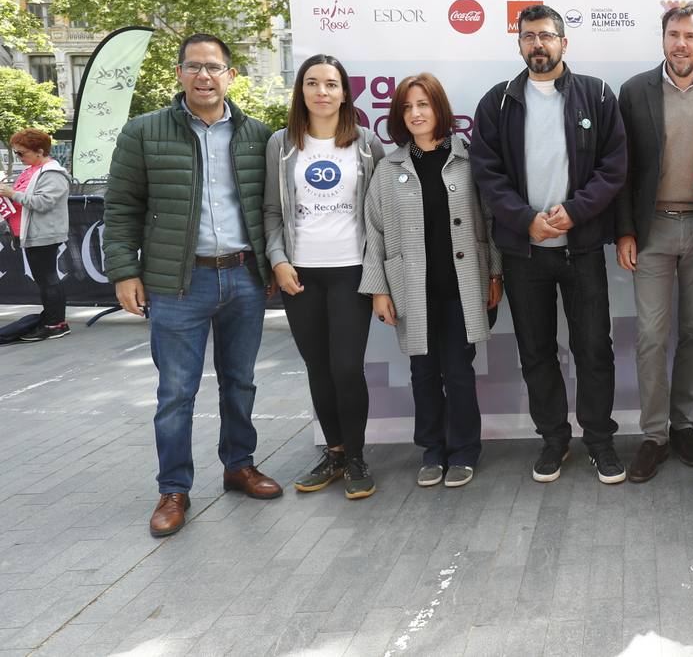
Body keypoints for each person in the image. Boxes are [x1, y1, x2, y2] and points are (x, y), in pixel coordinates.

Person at [104, 32, 280, 538]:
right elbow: (120, 209)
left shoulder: (257, 134)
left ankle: (239, 465)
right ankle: (174, 489)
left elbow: (269, 209)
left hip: (244, 278)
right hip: (177, 284)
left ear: (231, 75)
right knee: (176, 392)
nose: (205, 75)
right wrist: (124, 272)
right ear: (179, 73)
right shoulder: (143, 132)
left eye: (214, 67)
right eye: (194, 66)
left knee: (240, 382)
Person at [470, 4, 628, 485]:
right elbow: (487, 173)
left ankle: (599, 440)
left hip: (580, 248)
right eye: (529, 37)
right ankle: (554, 440)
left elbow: (614, 166)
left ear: (564, 41)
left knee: (593, 349)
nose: (538, 44)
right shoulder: (497, 103)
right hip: (525, 252)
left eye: (547, 36)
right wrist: (525, 220)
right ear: (518, 44)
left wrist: (576, 211)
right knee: (535, 350)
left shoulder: (597, 95)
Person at [362, 73, 501, 489]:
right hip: (412, 290)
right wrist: (379, 290)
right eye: (407, 107)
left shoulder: (470, 159)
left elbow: (491, 222)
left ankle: (463, 450)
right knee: (422, 371)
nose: (416, 113)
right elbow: (374, 231)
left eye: (423, 104)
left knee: (458, 370)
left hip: (463, 286)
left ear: (439, 108)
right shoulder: (389, 168)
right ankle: (432, 450)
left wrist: (496, 272)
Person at [614, 3, 693, 481]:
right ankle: (654, 435)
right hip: (653, 228)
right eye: (674, 34)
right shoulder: (634, 91)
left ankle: (683, 425)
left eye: (690, 36)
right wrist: (624, 229)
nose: (681, 43)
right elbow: (619, 167)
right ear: (663, 39)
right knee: (651, 336)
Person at [264, 54, 386, 498]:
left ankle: (355, 457)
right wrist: (278, 260)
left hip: (351, 272)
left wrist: (377, 277)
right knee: (318, 366)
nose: (322, 92)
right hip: (300, 275)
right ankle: (334, 452)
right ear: (301, 91)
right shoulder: (281, 144)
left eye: (331, 84)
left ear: (344, 93)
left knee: (347, 367)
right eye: (312, 83)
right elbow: (272, 211)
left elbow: (379, 217)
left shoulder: (367, 144)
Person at [0, 129, 72, 341]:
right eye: (16, 153)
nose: (20, 157)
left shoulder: (52, 173)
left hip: (43, 234)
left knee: (48, 279)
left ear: (39, 151)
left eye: (22, 153)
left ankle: (55, 324)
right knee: (45, 280)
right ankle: (53, 320)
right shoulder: (32, 170)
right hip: (31, 233)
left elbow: (43, 202)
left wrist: (11, 193)